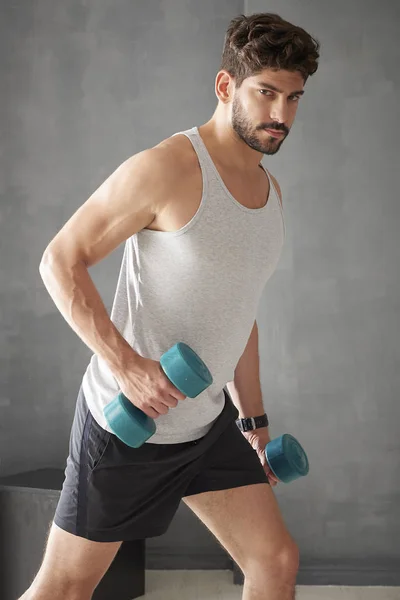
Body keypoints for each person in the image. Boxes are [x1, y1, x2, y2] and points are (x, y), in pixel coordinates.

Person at [21, 12, 320, 600]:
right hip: (128, 429)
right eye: (266, 93)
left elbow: (240, 310)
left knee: (275, 559)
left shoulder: (268, 191)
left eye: (293, 97)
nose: (281, 115)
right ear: (226, 86)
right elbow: (60, 260)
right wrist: (127, 366)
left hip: (207, 426)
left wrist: (253, 421)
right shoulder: (166, 169)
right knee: (64, 588)